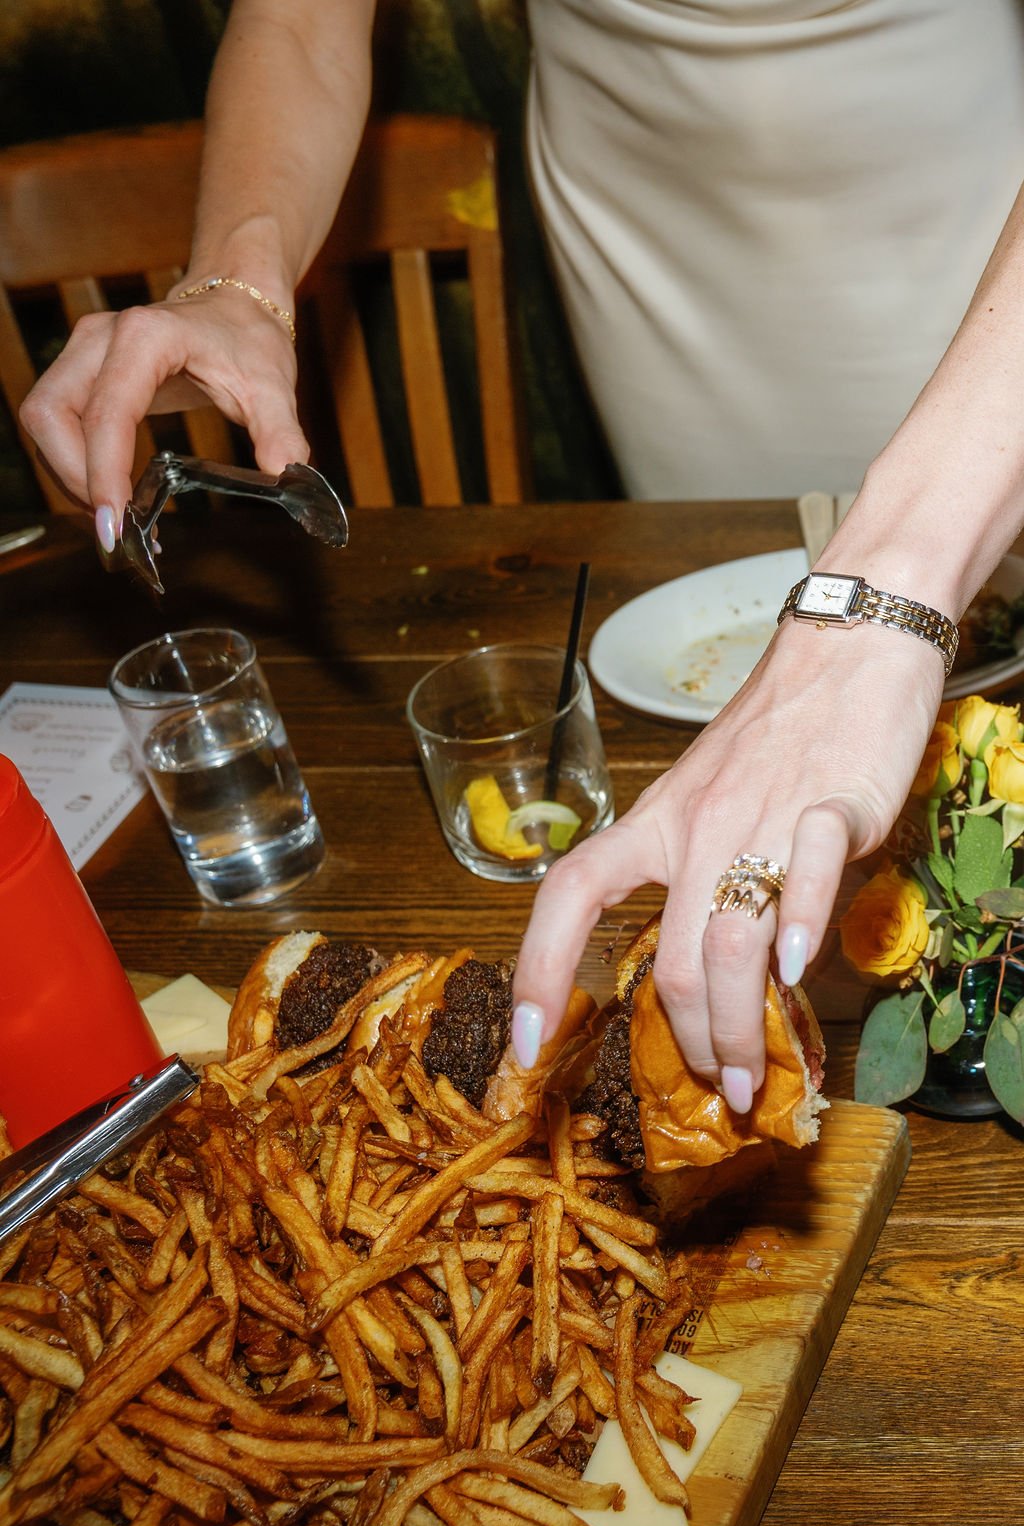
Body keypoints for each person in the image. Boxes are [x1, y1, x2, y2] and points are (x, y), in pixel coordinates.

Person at [19, 0, 1024, 1115]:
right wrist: (239, 285)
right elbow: (302, 24)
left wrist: (875, 603)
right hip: (645, 211)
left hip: (970, 227)